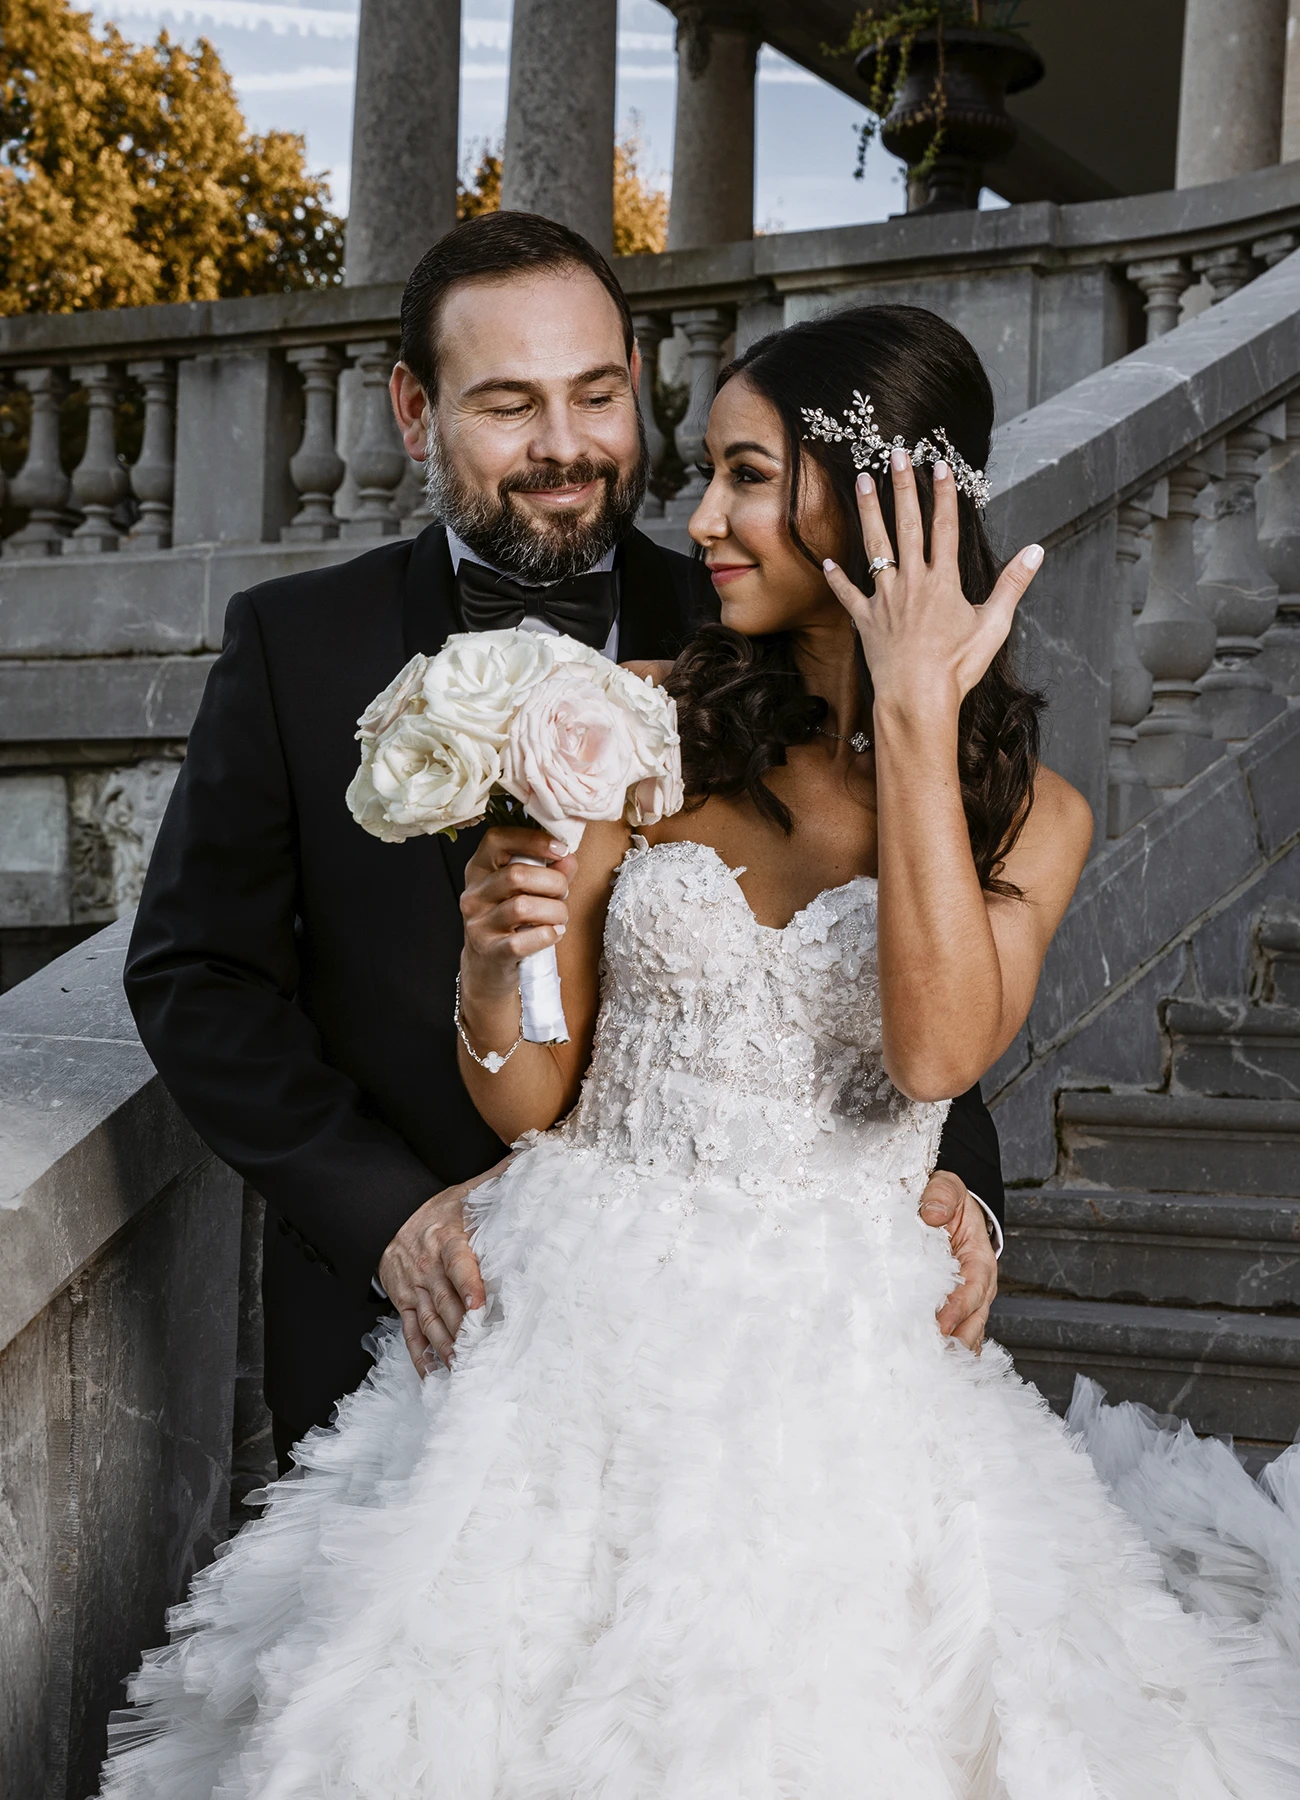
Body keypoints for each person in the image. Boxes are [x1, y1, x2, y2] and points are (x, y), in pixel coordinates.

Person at [102, 302, 1300, 1797]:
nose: (699, 516)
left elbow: (935, 1060)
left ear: (870, 511)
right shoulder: (643, 726)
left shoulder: (1037, 817)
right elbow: (536, 1096)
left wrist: (917, 717)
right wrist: (494, 969)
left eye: (745, 476)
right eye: (711, 472)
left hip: (845, 1365)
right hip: (574, 1322)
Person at [123, 212, 1003, 1469]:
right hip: (410, 1322)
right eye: (507, 405)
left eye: (596, 395)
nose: (565, 448)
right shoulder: (292, 646)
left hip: (744, 1365)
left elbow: (904, 931)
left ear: (636, 384)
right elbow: (197, 976)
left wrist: (962, 1186)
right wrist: (386, 1216)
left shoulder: (762, 609)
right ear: (415, 413)